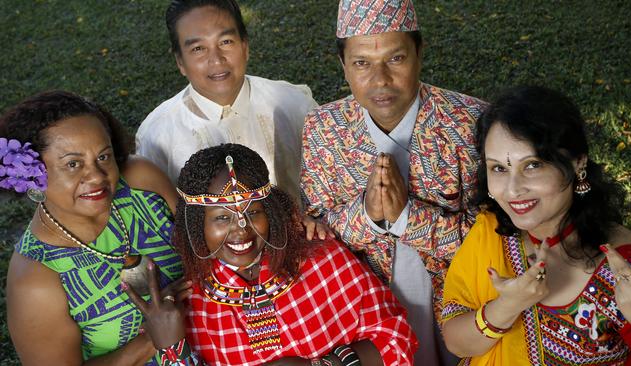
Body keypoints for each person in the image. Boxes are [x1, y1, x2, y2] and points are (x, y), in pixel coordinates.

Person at [300, 0, 486, 364]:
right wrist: (367, 214)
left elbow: (495, 242)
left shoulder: (471, 123)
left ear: (419, 53)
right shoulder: (322, 129)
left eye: (395, 59)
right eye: (362, 64)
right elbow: (316, 235)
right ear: (343, 66)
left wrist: (406, 217)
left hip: (463, 308)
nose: (380, 80)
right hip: (367, 314)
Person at [441, 86, 631, 365]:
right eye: (499, 169)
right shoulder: (493, 233)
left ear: (577, 164)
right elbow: (455, 341)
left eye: (533, 165)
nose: (513, 190)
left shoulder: (626, 269)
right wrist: (507, 306)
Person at [164, 143, 416, 365]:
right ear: (197, 224)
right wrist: (171, 345)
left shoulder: (322, 258)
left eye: (253, 213)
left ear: (271, 211)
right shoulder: (193, 303)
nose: (241, 230)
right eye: (222, 218)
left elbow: (395, 336)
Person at [3, 91, 192, 365]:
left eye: (103, 157)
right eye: (72, 164)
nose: (96, 176)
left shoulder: (142, 183)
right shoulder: (35, 278)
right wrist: (152, 339)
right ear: (32, 176)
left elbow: (206, 245)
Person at [136, 0, 318, 200]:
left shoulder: (296, 105)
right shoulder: (157, 137)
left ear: (245, 46)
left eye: (225, 42)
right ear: (180, 61)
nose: (216, 59)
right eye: (198, 48)